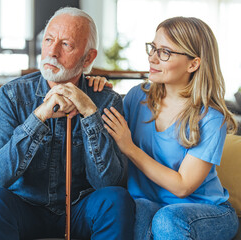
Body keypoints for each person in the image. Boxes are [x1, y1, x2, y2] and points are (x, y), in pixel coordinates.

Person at [0, 7, 135, 240]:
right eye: (49, 40)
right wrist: (38, 117)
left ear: (88, 57)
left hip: (81, 210)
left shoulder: (106, 99)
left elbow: (108, 183)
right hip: (25, 207)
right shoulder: (11, 95)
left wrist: (89, 112)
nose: (53, 52)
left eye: (66, 44)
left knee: (117, 200)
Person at [99, 17, 239, 239]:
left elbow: (183, 186)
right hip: (150, 204)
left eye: (165, 52)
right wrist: (99, 92)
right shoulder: (137, 97)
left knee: (168, 220)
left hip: (206, 212)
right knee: (133, 209)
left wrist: (130, 148)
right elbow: (103, 138)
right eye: (153, 48)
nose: (152, 58)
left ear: (193, 64)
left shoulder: (211, 119)